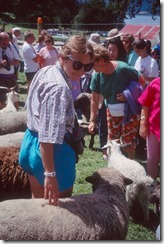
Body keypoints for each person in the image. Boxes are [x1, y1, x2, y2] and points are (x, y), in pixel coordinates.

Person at [19, 35, 94, 206]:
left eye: (87, 66)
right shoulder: (59, 88)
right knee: (59, 210)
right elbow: (48, 135)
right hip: (51, 152)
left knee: (37, 204)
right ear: (62, 56)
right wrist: (50, 174)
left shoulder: (45, 70)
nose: (82, 71)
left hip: (30, 144)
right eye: (77, 64)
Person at [88, 45, 145, 159]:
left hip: (130, 112)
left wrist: (128, 94)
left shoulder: (123, 69)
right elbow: (94, 100)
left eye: (94, 63)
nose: (92, 67)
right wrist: (92, 121)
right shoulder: (97, 76)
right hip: (112, 112)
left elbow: (142, 82)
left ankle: (131, 165)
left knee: (128, 142)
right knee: (113, 142)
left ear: (103, 61)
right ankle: (115, 165)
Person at [138, 77, 160, 179]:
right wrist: (143, 123)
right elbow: (145, 105)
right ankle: (152, 184)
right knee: (151, 158)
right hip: (154, 128)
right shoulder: (156, 83)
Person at [0, 32, 20, 109]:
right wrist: (2, 65)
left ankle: (16, 118)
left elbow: (18, 62)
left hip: (12, 76)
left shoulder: (10, 47)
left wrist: (11, 62)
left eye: (6, 39)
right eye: (1, 39)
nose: (4, 42)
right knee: (3, 100)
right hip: (1, 78)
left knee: (15, 99)